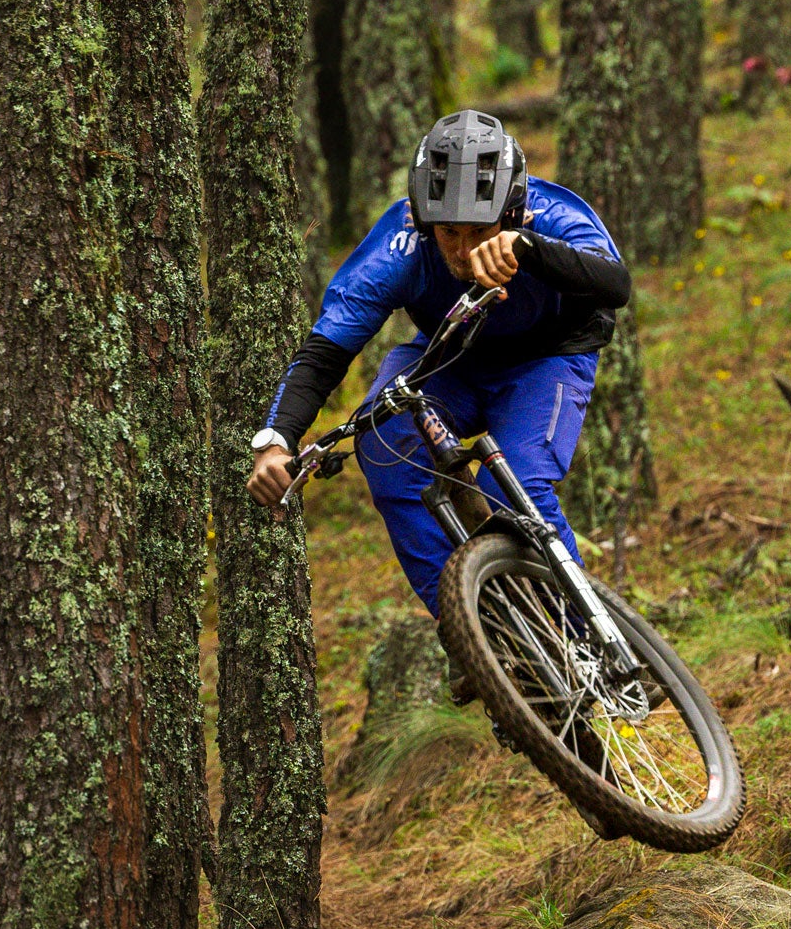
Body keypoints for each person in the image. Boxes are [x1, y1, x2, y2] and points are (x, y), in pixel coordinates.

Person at [246, 107, 631, 614]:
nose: (466, 249)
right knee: (382, 443)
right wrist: (276, 441)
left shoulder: (550, 215)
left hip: (550, 358)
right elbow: (328, 349)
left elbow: (615, 285)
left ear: (512, 210)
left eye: (481, 230)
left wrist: (530, 249)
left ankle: (588, 637)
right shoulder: (403, 243)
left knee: (511, 484)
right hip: (451, 357)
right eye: (449, 232)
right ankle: (468, 626)